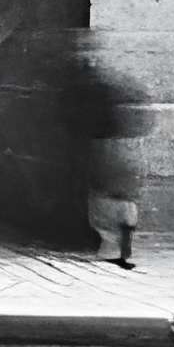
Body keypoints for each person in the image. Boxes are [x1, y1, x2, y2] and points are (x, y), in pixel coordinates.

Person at [60, 32, 150, 267]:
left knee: (104, 195)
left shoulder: (88, 83)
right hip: (111, 142)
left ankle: (114, 242)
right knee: (115, 193)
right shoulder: (106, 83)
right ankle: (123, 235)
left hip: (101, 143)